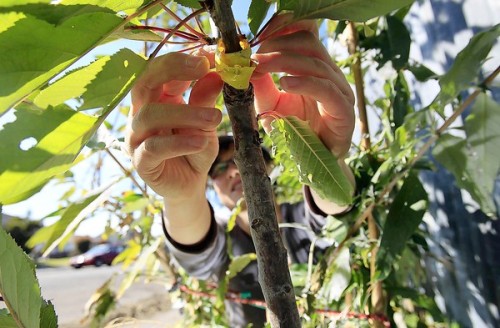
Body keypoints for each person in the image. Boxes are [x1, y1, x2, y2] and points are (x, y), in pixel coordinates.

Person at [126, 14, 356, 327]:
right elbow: (196, 250)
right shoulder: (225, 244)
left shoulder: (298, 223)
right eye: (220, 167)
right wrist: (183, 197)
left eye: (241, 159)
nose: (234, 171)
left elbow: (333, 211)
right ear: (211, 184)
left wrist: (325, 158)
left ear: (268, 165)